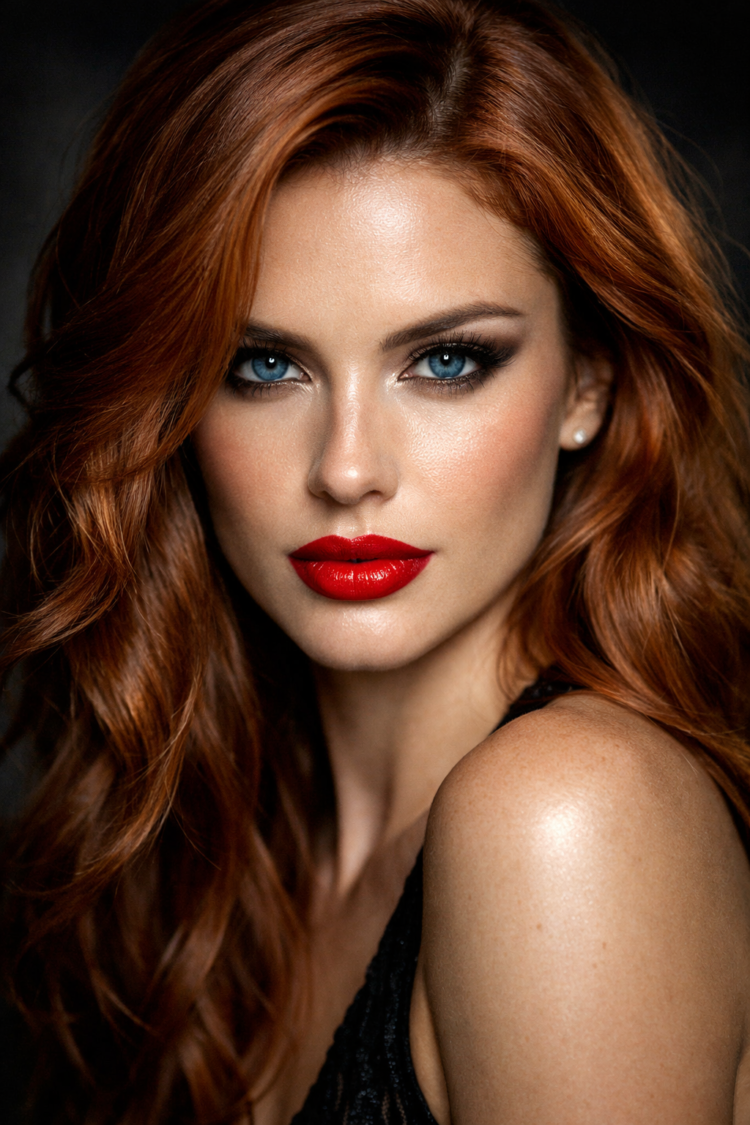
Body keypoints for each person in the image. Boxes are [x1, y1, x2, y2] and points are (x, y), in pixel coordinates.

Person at [2, 0, 750, 1121]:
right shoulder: (227, 849)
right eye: (263, 367)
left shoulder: (565, 820)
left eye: (447, 360)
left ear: (588, 384)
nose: (348, 471)